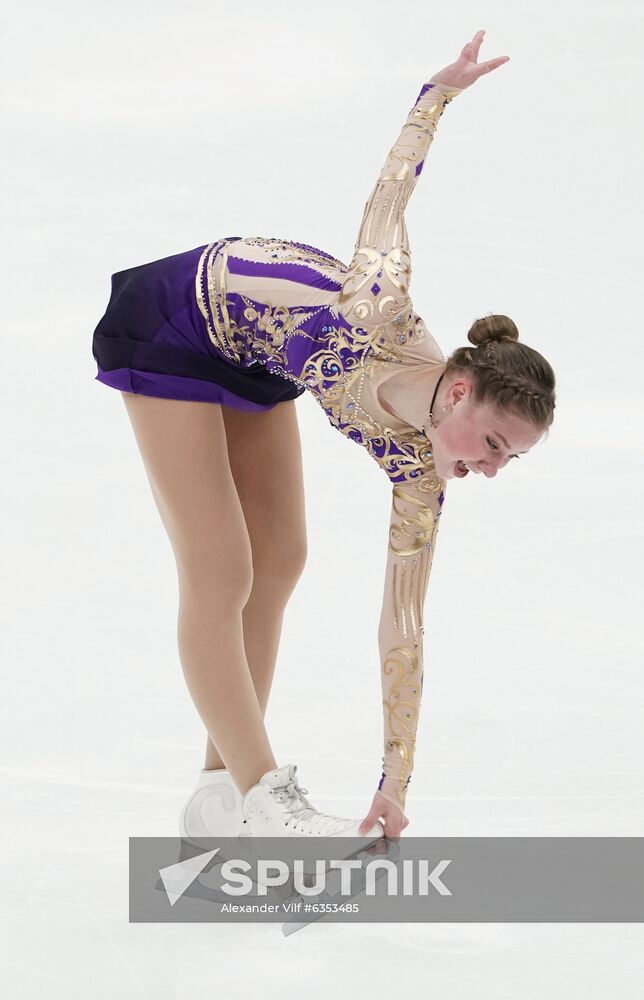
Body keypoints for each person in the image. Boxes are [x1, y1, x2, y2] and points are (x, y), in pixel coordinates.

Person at [91, 30, 555, 842]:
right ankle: (265, 794)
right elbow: (389, 199)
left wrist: (394, 781)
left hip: (259, 359)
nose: (489, 468)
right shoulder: (378, 300)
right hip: (177, 315)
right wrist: (434, 97)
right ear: (458, 388)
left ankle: (217, 795)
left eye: (506, 460)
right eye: (493, 444)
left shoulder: (421, 468)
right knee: (221, 564)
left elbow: (402, 628)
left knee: (281, 557)